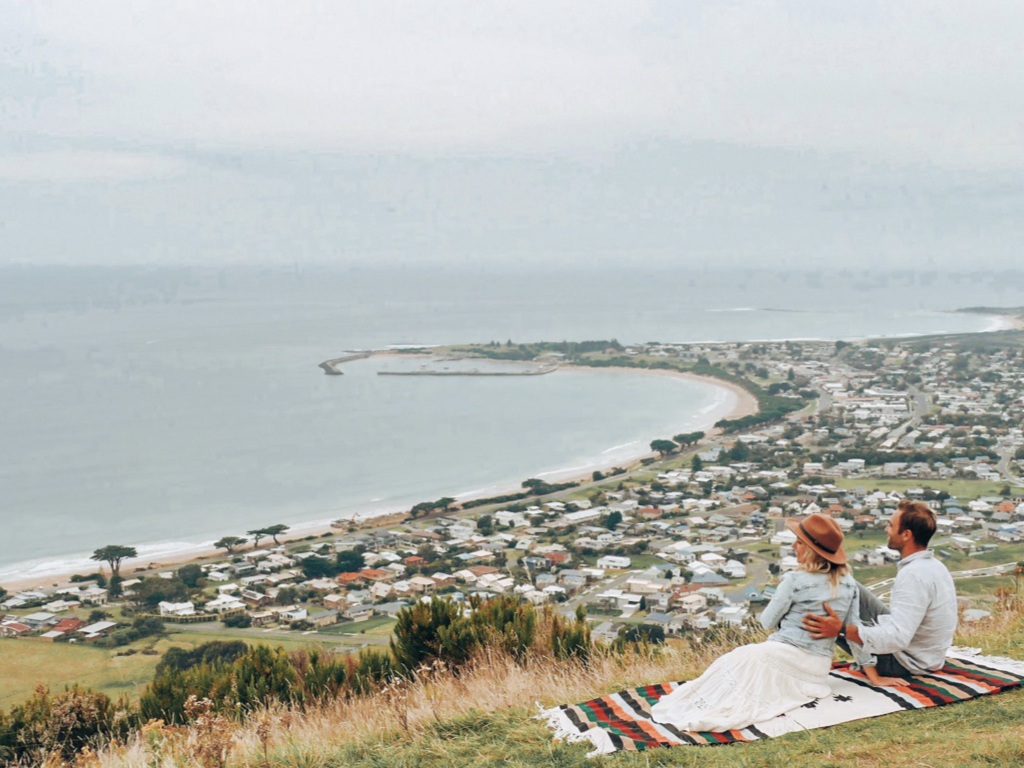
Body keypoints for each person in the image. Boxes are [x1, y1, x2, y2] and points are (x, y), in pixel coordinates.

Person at [650, 513, 899, 732]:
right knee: (743, 663)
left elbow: (768, 622)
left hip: (786, 654)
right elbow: (854, 632)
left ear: (811, 549)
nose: (794, 546)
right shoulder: (847, 583)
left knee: (735, 660)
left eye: (799, 542)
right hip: (818, 668)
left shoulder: (795, 580)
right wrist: (873, 676)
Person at [802, 499, 957, 677]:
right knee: (842, 583)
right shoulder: (933, 565)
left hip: (904, 663)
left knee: (821, 604)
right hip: (924, 655)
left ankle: (800, 666)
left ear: (906, 535)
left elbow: (898, 638)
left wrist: (841, 630)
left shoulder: (913, 575)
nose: (886, 530)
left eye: (891, 526)